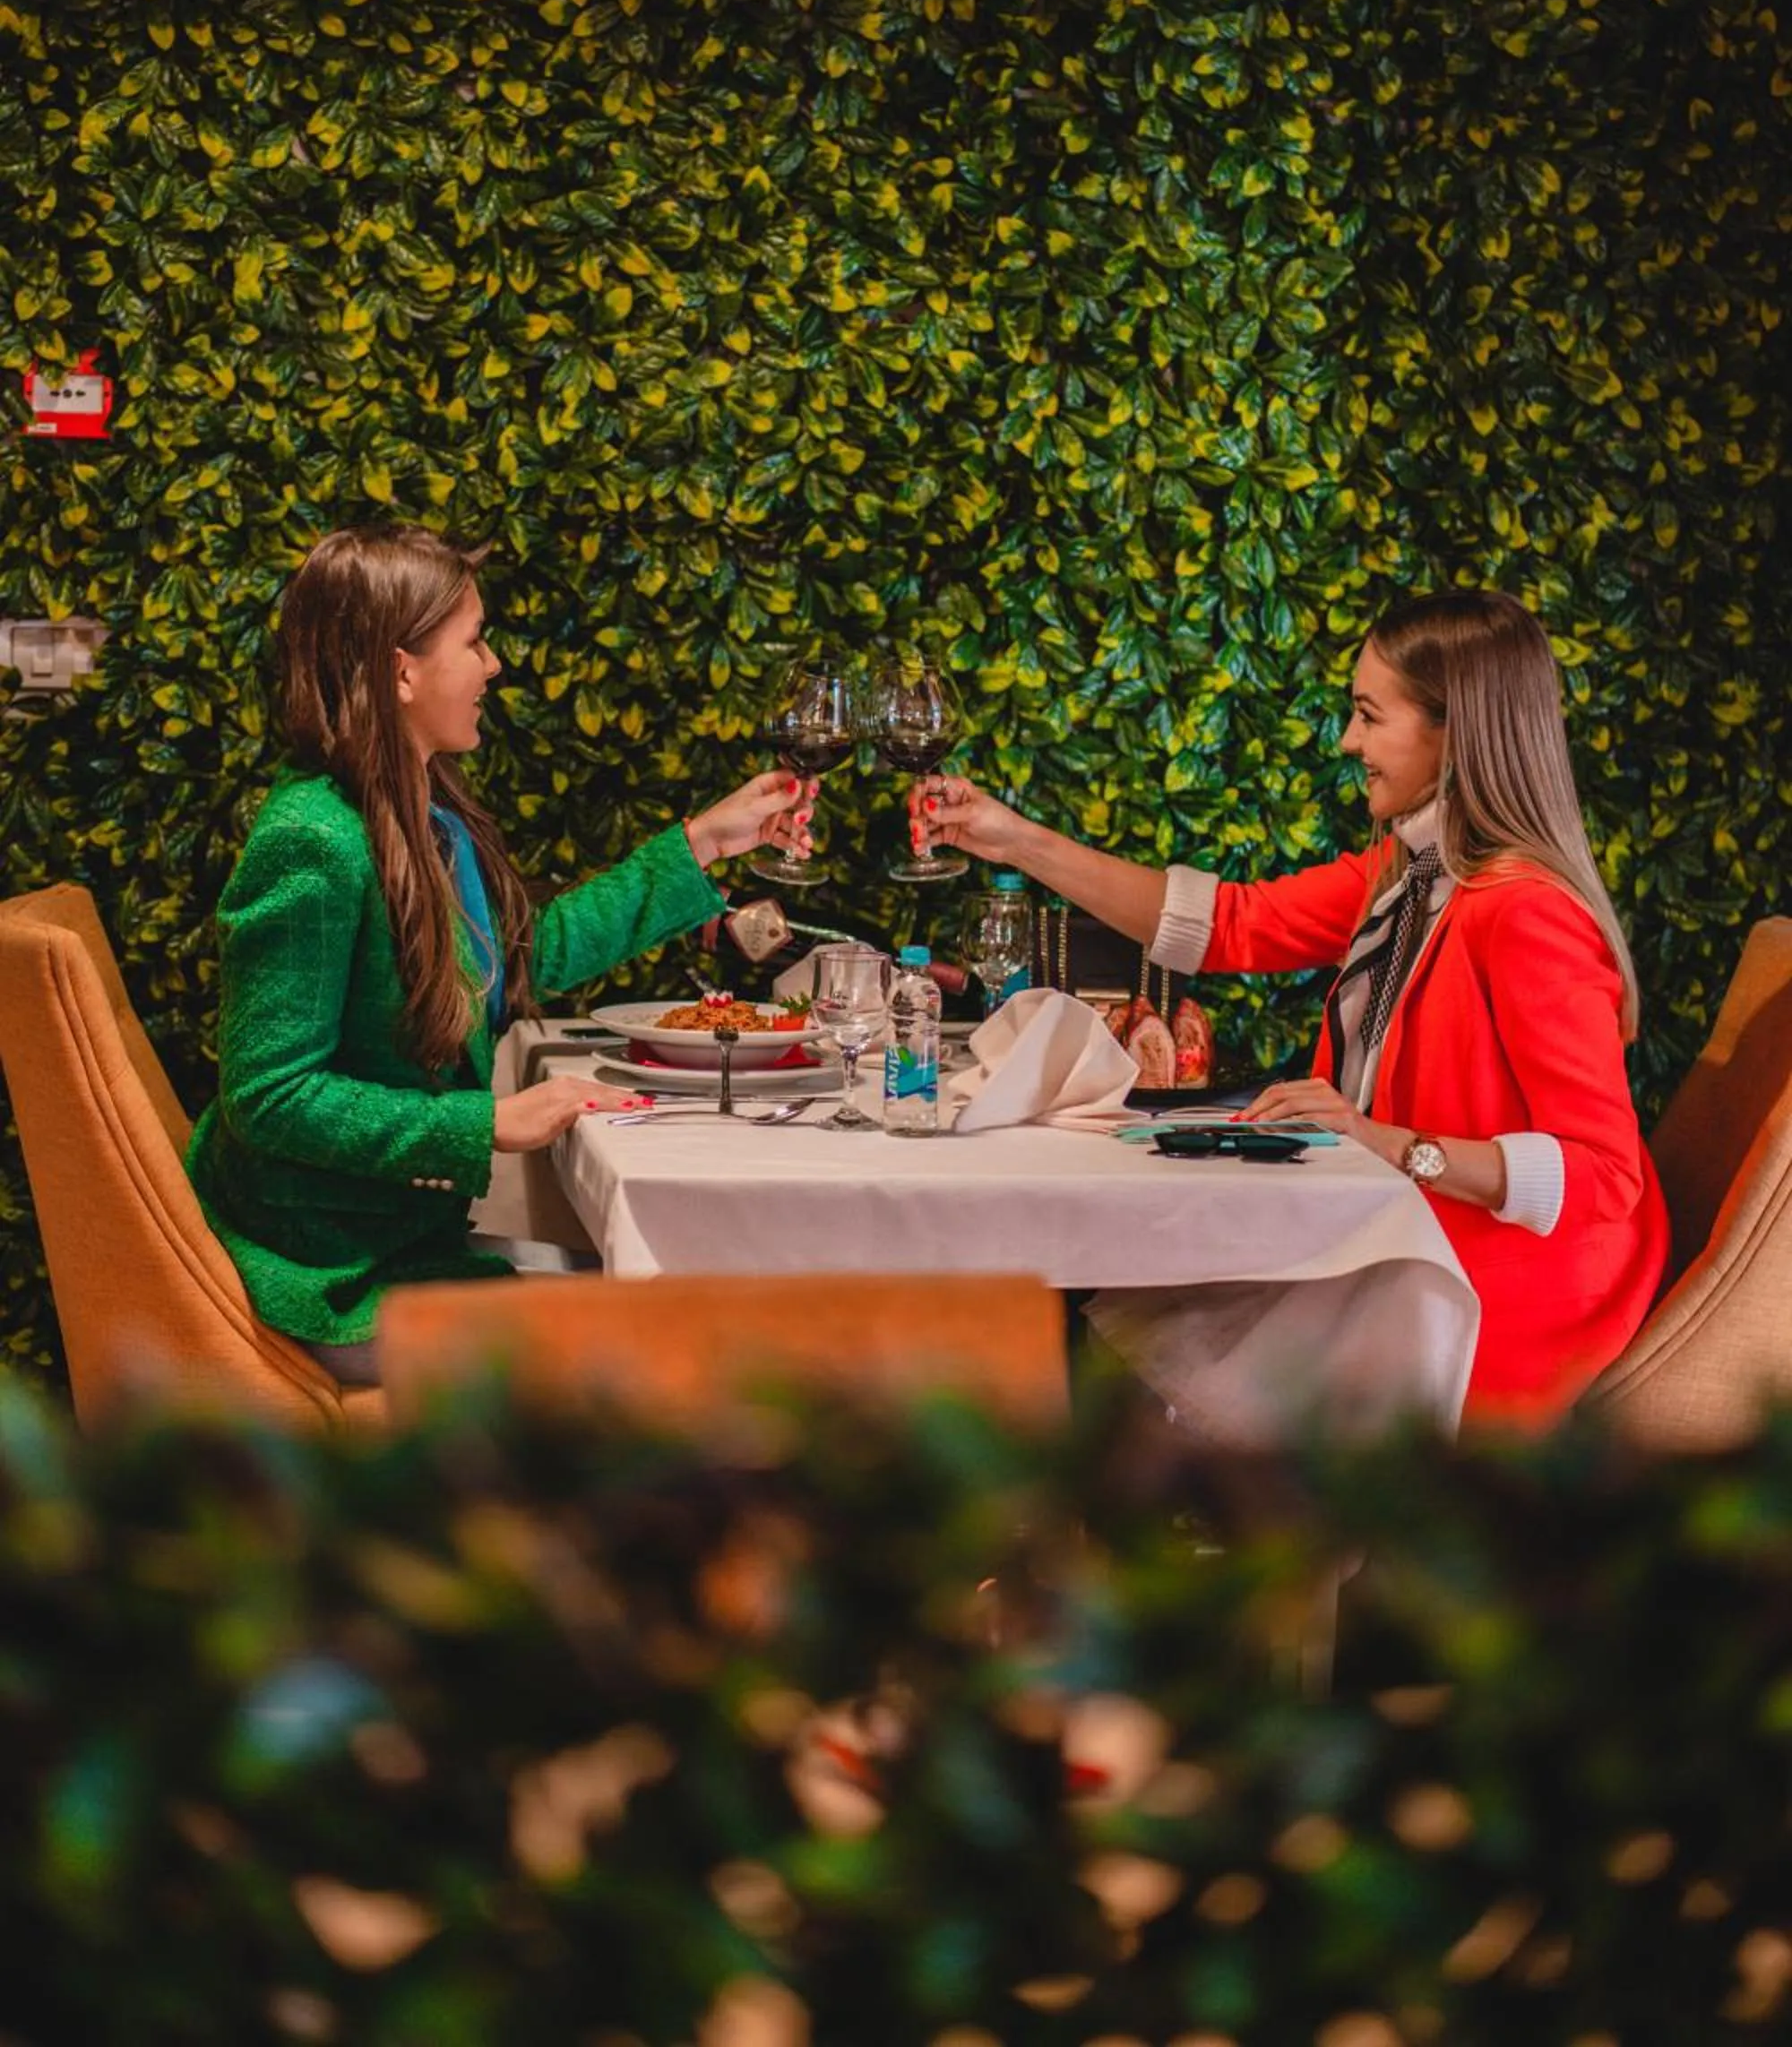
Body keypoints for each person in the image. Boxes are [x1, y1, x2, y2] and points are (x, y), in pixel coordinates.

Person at [910, 589, 1669, 1428]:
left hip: (1496, 1291)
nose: (1349, 741)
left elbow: (1603, 1175)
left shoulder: (1525, 911)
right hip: (1401, 1230)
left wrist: (1385, 1145)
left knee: (1144, 1328)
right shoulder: (1411, 870)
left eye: (1370, 716)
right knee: (1131, 1303)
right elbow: (1228, 925)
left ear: (1454, 733)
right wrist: (1010, 838)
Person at [185, 526, 814, 1383]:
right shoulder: (313, 837)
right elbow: (270, 1096)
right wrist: (484, 1124)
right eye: (474, 642)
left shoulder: (418, 809)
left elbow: (525, 953)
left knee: (667, 1309)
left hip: (399, 1251)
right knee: (669, 1349)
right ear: (401, 670)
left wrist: (704, 841)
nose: (493, 665)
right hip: (333, 1278)